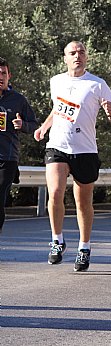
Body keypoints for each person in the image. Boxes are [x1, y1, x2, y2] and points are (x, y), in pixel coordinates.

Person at [33, 41, 111, 271]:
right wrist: (43, 128)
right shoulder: (56, 81)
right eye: (72, 53)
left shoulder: (97, 85)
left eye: (81, 52)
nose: (77, 56)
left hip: (85, 150)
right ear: (65, 58)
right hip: (57, 146)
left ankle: (84, 247)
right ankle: (57, 241)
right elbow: (57, 110)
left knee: (83, 203)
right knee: (55, 193)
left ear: (86, 57)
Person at [0, 57, 38, 234]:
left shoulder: (18, 100)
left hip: (6, 160)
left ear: (9, 76)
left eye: (3, 73)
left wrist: (23, 125)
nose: (0, 77)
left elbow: (34, 124)